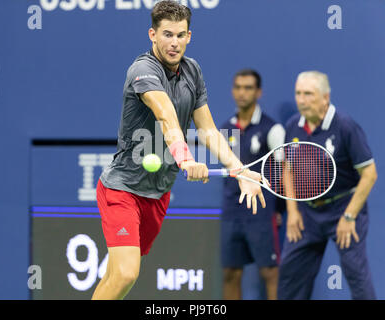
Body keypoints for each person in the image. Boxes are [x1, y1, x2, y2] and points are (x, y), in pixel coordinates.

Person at [91, 1, 265, 300]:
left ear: (189, 36)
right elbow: (165, 114)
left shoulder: (192, 71)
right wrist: (185, 157)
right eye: (167, 34)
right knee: (125, 272)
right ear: (153, 35)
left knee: (117, 278)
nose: (174, 43)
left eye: (180, 35)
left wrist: (240, 171)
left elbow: (209, 130)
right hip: (122, 190)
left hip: (157, 194)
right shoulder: (142, 69)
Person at [278, 71, 377, 300]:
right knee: (291, 278)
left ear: (325, 97)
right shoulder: (293, 126)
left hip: (344, 208)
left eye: (308, 94)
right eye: (298, 94)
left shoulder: (345, 126)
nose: (301, 100)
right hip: (307, 212)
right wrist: (292, 211)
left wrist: (349, 216)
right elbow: (288, 170)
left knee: (357, 276)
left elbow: (370, 174)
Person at [220, 69, 285, 300]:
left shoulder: (273, 129)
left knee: (269, 272)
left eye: (248, 88)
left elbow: (282, 171)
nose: (242, 93)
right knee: (230, 273)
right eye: (238, 87)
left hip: (261, 210)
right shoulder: (225, 128)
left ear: (259, 92)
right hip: (232, 211)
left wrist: (278, 208)